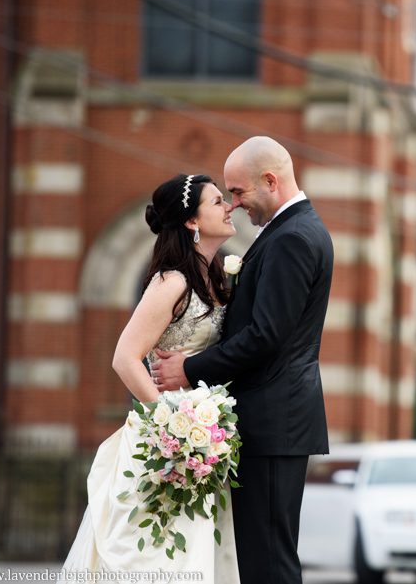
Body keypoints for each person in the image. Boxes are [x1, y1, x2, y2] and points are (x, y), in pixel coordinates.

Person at [152, 136, 334, 584]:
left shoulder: (292, 237)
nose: (234, 205)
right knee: (258, 558)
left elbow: (266, 336)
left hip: (274, 422)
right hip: (275, 420)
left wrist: (189, 369)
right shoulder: (290, 231)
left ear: (270, 181)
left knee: (268, 563)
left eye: (238, 192)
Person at [58, 174, 239, 583]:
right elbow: (125, 357)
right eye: (216, 202)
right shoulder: (172, 281)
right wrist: (172, 427)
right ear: (192, 222)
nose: (228, 206)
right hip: (169, 441)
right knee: (158, 554)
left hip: (204, 441)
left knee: (195, 547)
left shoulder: (216, 279)